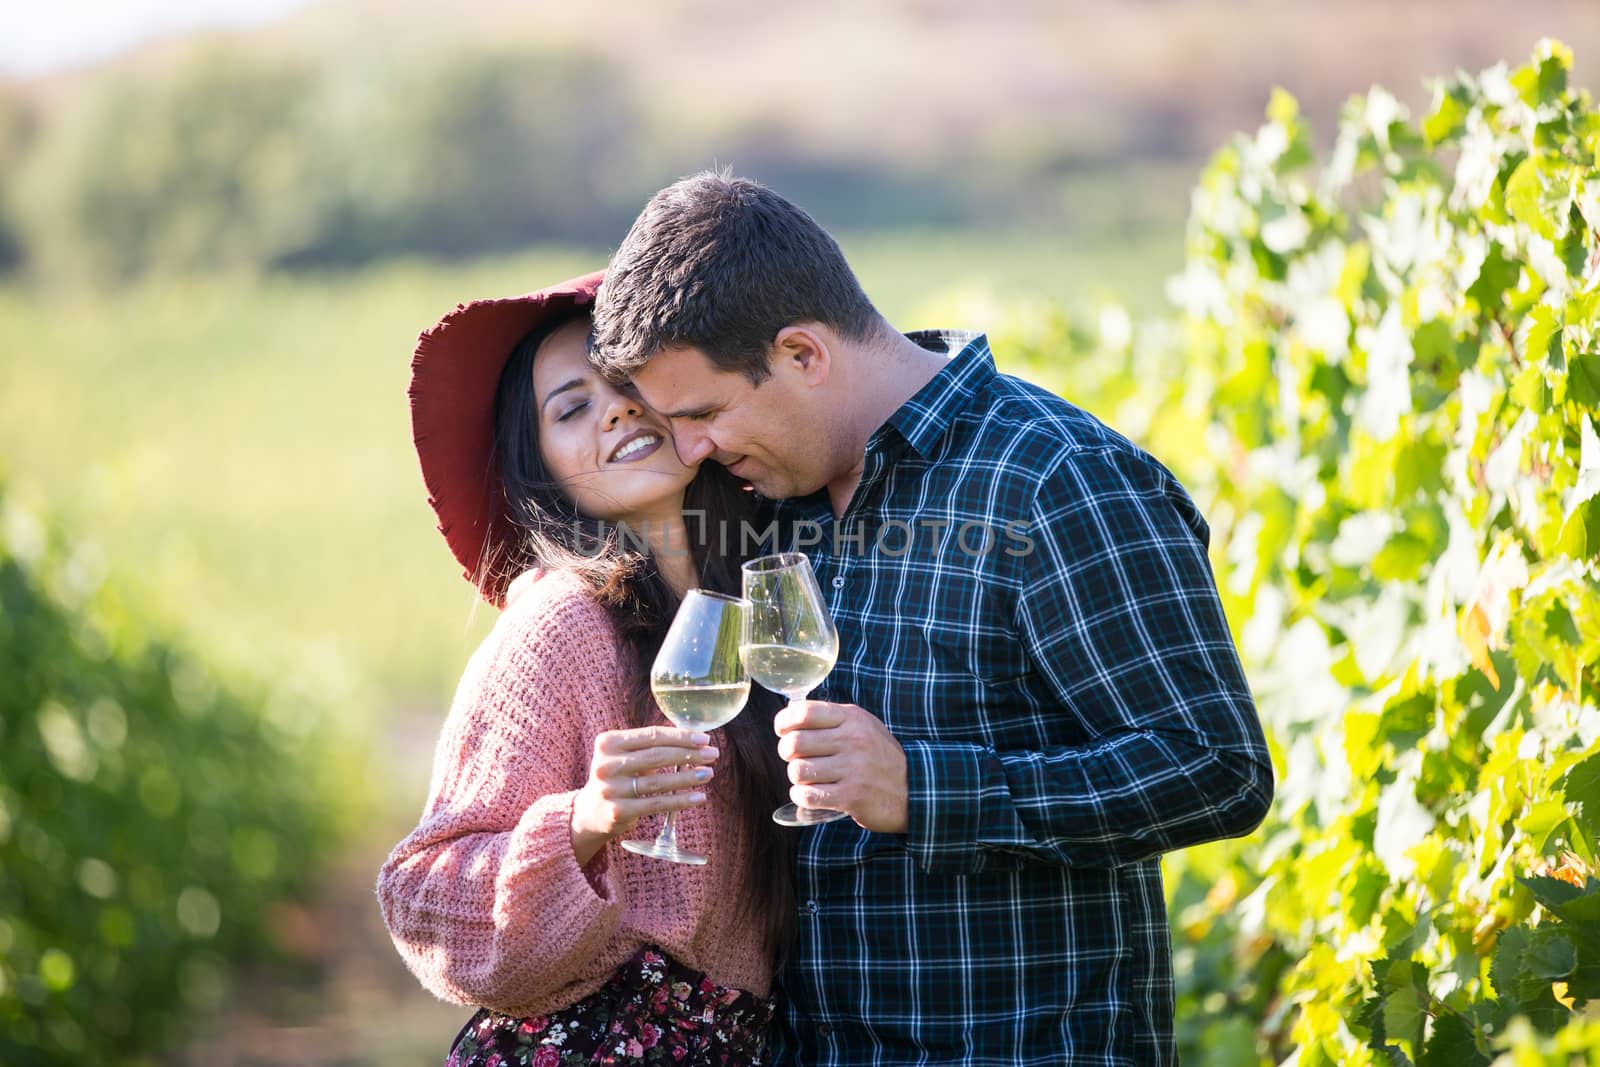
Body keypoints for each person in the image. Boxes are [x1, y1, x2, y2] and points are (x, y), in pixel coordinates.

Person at [587, 174, 1276, 1065]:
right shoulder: (775, 503)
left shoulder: (1056, 481)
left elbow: (1216, 767)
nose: (691, 452)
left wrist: (925, 790)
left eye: (704, 414)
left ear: (803, 354)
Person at [376, 270, 793, 1066]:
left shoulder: (759, 600)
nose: (615, 406)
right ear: (544, 468)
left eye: (629, 379)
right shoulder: (562, 624)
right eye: (572, 407)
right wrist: (584, 822)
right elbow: (420, 892)